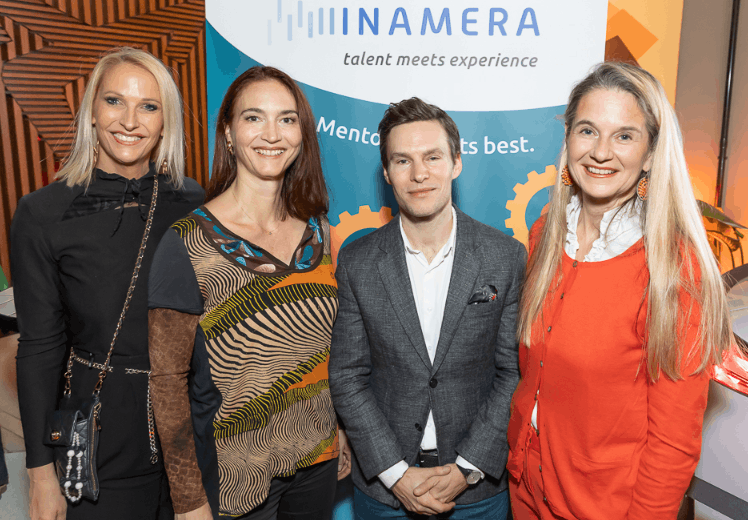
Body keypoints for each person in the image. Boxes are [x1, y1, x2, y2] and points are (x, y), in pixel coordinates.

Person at [507, 62, 733, 520]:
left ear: (650, 154)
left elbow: (673, 442)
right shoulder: (546, 233)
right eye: (588, 130)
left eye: (624, 136)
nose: (600, 152)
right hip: (525, 490)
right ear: (568, 138)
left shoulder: (674, 267)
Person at [147, 66, 349, 520]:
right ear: (229, 133)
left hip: (317, 461)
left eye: (287, 119)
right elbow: (167, 383)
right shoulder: (186, 243)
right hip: (234, 475)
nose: (272, 134)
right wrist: (188, 499)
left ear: (302, 134)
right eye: (254, 117)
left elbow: (332, 351)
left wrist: (342, 433)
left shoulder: (321, 234)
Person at [10, 47, 204, 520]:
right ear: (92, 111)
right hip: (98, 437)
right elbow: (39, 348)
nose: (130, 121)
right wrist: (40, 474)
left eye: (149, 106)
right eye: (115, 101)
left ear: (165, 122)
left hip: (190, 433)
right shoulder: (43, 213)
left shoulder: (192, 202)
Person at [329, 97, 525, 519]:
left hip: (477, 493)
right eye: (403, 160)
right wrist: (395, 474)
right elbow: (347, 374)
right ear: (387, 173)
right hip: (385, 493)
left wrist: (467, 468)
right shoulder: (357, 261)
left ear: (456, 162)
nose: (419, 174)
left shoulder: (505, 256)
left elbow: (512, 372)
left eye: (432, 157)